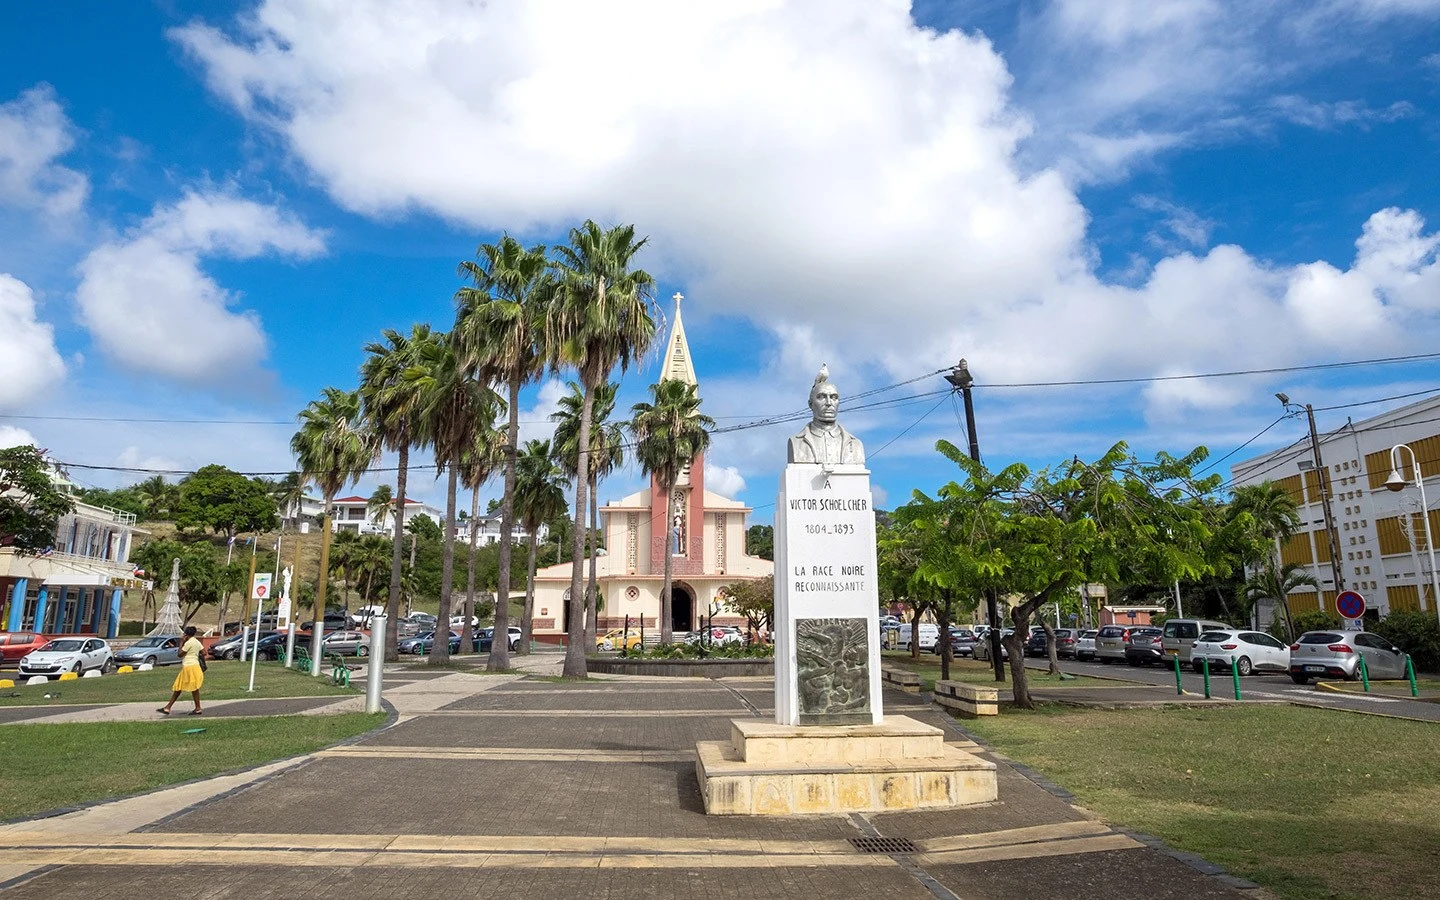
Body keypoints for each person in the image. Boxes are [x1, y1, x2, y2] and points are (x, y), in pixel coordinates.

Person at [787, 367, 865, 466]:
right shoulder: (797, 443)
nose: (828, 403)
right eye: (821, 397)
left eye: (833, 397)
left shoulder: (855, 445)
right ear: (810, 404)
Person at [158, 625, 204, 715]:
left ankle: (168, 708)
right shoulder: (196, 642)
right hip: (196, 666)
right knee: (193, 688)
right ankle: (197, 708)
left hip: (188, 667)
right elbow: (204, 652)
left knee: (179, 687)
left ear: (186, 634)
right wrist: (195, 654)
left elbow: (180, 654)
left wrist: (181, 642)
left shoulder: (188, 643)